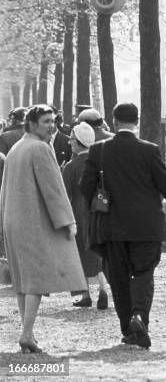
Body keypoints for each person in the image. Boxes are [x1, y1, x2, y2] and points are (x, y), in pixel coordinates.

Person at [81, 102, 166, 349]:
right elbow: (165, 183)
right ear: (136, 121)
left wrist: (97, 205)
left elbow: (85, 187)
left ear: (114, 122)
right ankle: (140, 316)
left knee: (118, 278)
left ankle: (128, 328)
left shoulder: (98, 150)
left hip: (112, 227)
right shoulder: (150, 150)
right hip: (146, 227)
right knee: (144, 274)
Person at [1, 104, 86, 353]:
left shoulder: (16, 148)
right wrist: (67, 221)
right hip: (32, 223)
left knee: (22, 281)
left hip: (13, 222)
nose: (52, 125)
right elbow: (54, 188)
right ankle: (27, 333)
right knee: (35, 280)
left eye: (53, 121)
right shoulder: (41, 148)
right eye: (46, 121)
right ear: (32, 124)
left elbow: (4, 189)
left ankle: (28, 331)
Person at [62, 123, 110, 310]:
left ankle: (85, 294)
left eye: (72, 139)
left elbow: (64, 194)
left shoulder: (71, 166)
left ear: (79, 142)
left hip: (79, 215)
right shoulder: (101, 163)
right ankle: (103, 288)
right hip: (101, 212)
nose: (70, 142)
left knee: (81, 255)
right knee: (100, 253)